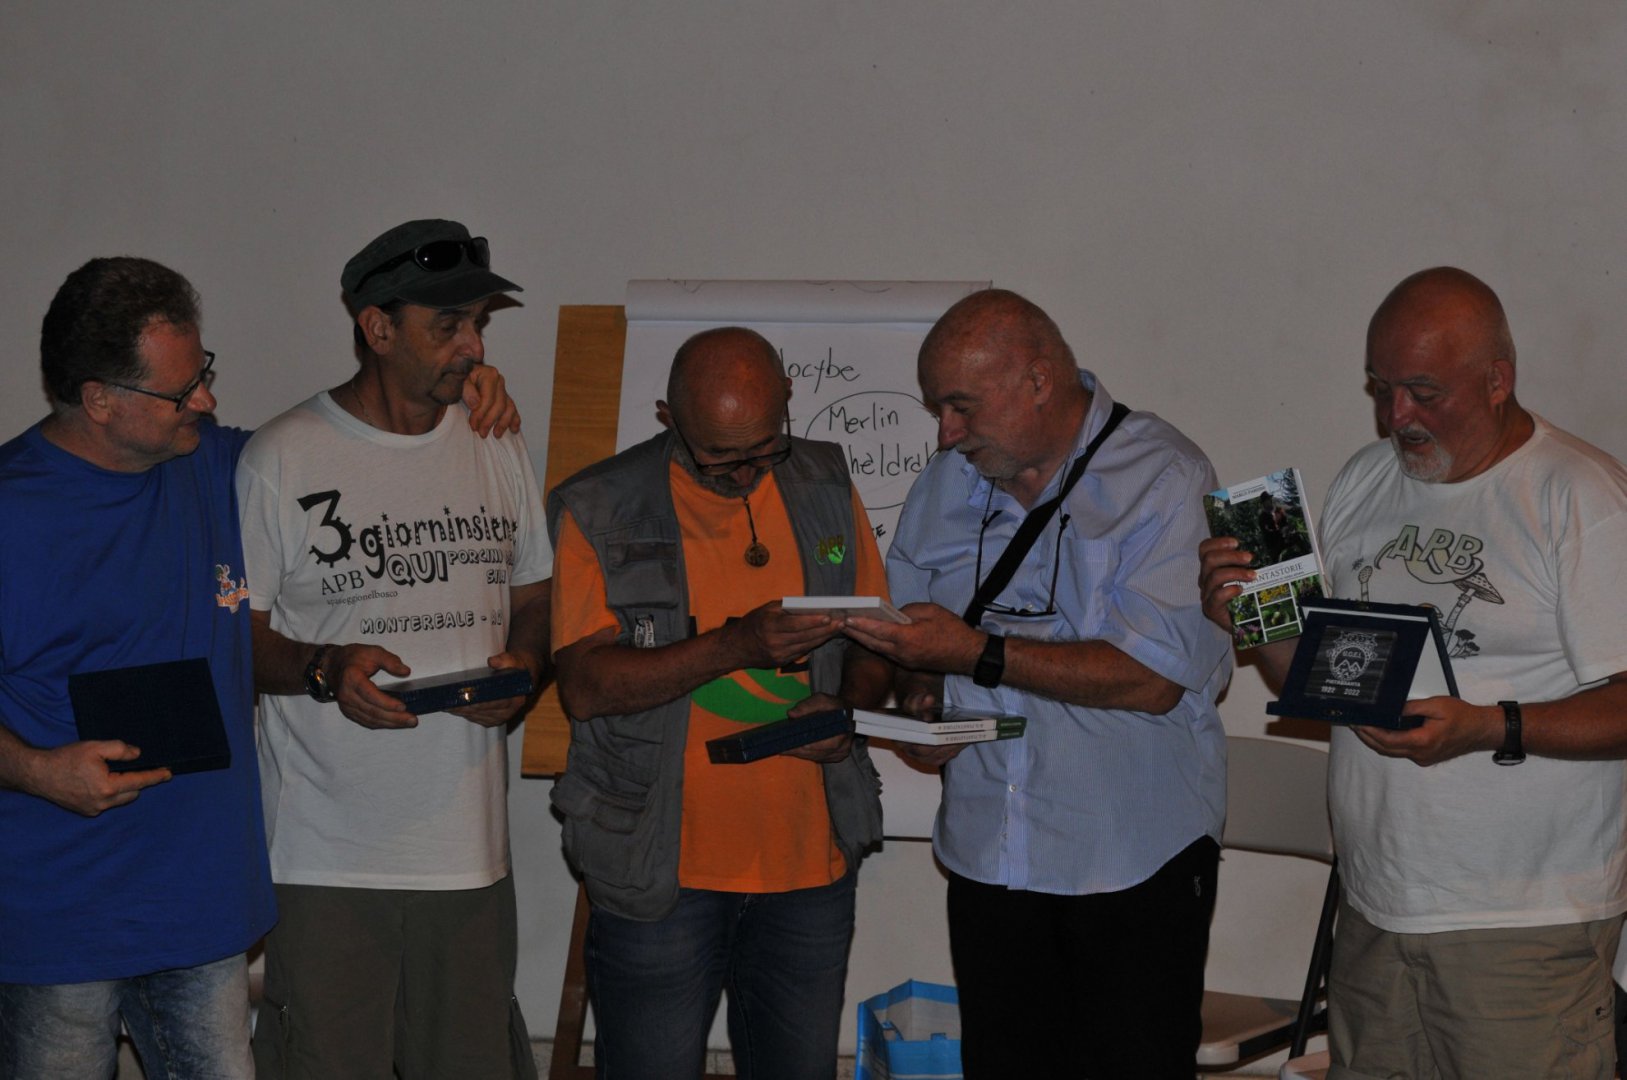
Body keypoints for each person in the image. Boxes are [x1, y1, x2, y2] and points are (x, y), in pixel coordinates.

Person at [0, 255, 518, 1078]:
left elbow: (352, 440)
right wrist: (35, 770)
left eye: (203, 374)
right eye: (181, 391)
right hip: (60, 916)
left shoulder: (218, 466)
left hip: (203, 907)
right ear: (99, 400)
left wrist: (452, 386)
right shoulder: (12, 508)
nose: (206, 402)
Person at [1201, 266, 1627, 1079]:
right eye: (1381, 387)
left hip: (1520, 921)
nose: (1396, 415)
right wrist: (1251, 620)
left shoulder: (1579, 497)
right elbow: (1324, 681)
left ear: (1496, 380)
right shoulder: (1366, 478)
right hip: (1375, 904)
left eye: (1423, 392)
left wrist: (1488, 727)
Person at [844, 288, 1233, 1079]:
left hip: (1129, 858)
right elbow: (913, 633)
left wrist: (975, 654)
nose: (946, 433)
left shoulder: (1163, 475)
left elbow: (1152, 680)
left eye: (960, 406)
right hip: (988, 855)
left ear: (1037, 380)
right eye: (936, 409)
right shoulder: (946, 482)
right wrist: (922, 699)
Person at [236, 219, 552, 1079]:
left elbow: (534, 594)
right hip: (328, 858)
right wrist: (323, 669)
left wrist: (526, 668)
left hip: (471, 855)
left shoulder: (495, 440)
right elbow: (235, 635)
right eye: (447, 325)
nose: (473, 346)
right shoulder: (281, 458)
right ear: (377, 328)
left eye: (477, 323)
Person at [548, 326, 889, 1080]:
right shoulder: (598, 505)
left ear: (788, 399)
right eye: (719, 457)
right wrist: (735, 645)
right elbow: (584, 686)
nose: (745, 474)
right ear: (667, 418)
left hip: (810, 867)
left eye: (764, 449)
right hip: (658, 870)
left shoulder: (826, 481)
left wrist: (842, 708)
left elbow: (873, 640)